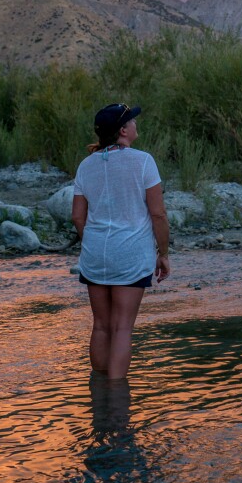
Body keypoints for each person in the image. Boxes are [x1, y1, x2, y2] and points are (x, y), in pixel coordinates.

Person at [71, 102, 170, 379]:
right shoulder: (143, 161)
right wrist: (163, 253)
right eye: (133, 121)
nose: (137, 124)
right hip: (130, 255)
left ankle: (99, 397)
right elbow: (158, 214)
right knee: (122, 328)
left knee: (101, 326)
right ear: (124, 130)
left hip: (95, 256)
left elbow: (78, 217)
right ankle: (116, 401)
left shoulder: (85, 165)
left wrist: (91, 242)